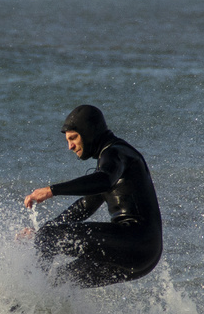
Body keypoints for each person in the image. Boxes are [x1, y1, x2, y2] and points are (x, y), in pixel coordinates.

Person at [21, 104, 162, 287]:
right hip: (143, 254)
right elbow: (86, 206)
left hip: (135, 240)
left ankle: (28, 292)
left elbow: (103, 180)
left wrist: (51, 190)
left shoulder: (116, 152)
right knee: (60, 282)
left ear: (88, 132)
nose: (70, 146)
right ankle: (22, 312)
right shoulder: (113, 161)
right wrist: (41, 233)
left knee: (49, 238)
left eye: (73, 138)